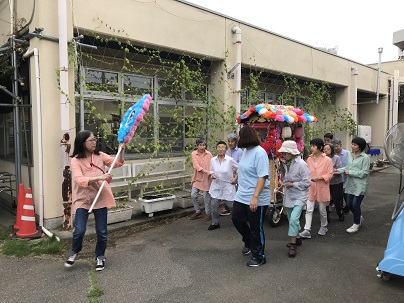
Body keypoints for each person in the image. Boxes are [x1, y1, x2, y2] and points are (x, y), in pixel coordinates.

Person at [64, 130, 126, 271]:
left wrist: (121, 151)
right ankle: (74, 251)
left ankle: (100, 257)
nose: (94, 142)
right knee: (79, 230)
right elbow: (79, 180)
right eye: (91, 140)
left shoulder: (99, 156)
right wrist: (99, 178)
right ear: (82, 143)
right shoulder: (75, 160)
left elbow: (118, 163)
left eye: (95, 139)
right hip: (83, 199)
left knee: (102, 232)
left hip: (100, 198)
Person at [232, 126, 270, 267]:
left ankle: (259, 256)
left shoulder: (260, 153)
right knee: (236, 218)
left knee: (255, 227)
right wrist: (236, 178)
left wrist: (255, 197)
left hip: (257, 196)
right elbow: (243, 170)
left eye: (240, 136)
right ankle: (248, 241)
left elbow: (262, 176)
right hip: (242, 194)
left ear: (246, 136)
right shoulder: (245, 152)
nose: (238, 139)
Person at [278, 140, 311, 257]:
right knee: (291, 219)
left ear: (292, 153)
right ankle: (297, 238)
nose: (283, 155)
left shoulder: (302, 164)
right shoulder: (286, 163)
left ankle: (293, 244)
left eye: (285, 153)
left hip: (300, 195)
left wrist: (292, 184)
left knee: (293, 219)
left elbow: (307, 182)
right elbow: (286, 178)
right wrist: (284, 182)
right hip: (289, 194)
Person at [300, 138, 333, 238]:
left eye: (313, 146)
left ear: (320, 147)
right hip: (311, 188)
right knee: (309, 209)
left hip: (322, 187)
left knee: (322, 210)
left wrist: (319, 178)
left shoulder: (327, 160)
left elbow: (330, 174)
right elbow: (306, 172)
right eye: (311, 146)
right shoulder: (309, 159)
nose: (311, 148)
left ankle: (324, 226)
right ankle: (307, 229)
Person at [337, 137, 370, 234]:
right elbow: (347, 167)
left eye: (355, 145)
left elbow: (364, 172)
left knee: (355, 204)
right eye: (352, 144)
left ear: (361, 147)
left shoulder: (365, 158)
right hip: (350, 184)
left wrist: (350, 172)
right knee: (349, 204)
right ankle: (358, 216)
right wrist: (338, 171)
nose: (352, 146)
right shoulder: (350, 155)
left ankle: (356, 224)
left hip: (360, 185)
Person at [208, 141, 238, 230]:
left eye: (222, 147)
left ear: (226, 149)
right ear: (216, 149)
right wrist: (212, 174)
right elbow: (211, 170)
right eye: (219, 147)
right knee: (213, 206)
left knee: (231, 206)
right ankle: (215, 222)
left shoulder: (230, 160)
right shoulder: (213, 160)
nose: (220, 149)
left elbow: (240, 168)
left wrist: (235, 178)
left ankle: (237, 220)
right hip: (216, 185)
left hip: (227, 185)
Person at [219, 133, 244, 216]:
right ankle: (228, 207)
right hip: (229, 175)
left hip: (237, 174)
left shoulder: (240, 151)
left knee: (237, 191)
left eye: (232, 141)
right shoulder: (227, 151)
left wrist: (235, 168)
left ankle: (238, 209)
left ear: (235, 142)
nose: (230, 143)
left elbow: (241, 164)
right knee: (228, 190)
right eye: (229, 141)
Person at [189, 138, 213, 221]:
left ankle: (208, 213)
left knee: (206, 197)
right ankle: (197, 210)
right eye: (200, 145)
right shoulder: (193, 154)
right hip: (197, 178)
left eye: (203, 145)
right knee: (193, 194)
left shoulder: (209, 154)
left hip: (207, 178)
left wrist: (212, 173)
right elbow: (197, 166)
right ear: (197, 146)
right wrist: (206, 171)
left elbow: (213, 163)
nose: (202, 147)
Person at [324, 143, 345, 221]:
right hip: (325, 182)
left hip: (336, 182)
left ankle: (340, 213)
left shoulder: (336, 158)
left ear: (332, 150)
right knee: (326, 200)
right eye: (324, 149)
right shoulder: (322, 158)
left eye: (328, 149)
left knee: (336, 200)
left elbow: (339, 170)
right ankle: (326, 217)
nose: (326, 151)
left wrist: (330, 172)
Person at [332, 138, 350, 213]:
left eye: (337, 146)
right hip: (336, 179)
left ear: (341, 145)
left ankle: (347, 207)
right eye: (334, 147)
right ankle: (341, 210)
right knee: (338, 197)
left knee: (347, 197)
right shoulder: (332, 155)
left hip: (346, 179)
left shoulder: (347, 153)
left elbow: (351, 164)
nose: (336, 148)